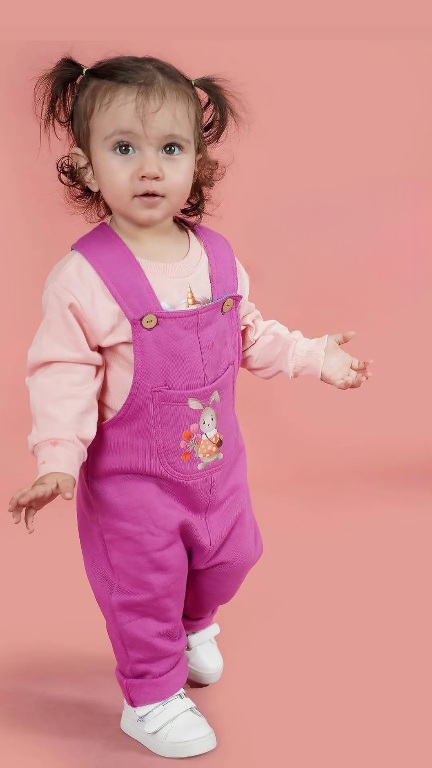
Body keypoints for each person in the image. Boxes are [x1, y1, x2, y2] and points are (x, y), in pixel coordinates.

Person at [8, 54, 373, 759]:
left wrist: (314, 356)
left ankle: (193, 623)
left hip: (217, 473)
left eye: (170, 149)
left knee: (232, 558)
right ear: (86, 168)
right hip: (133, 489)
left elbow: (249, 333)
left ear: (198, 164)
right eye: (124, 149)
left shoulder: (216, 257)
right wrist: (56, 458)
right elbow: (61, 371)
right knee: (144, 590)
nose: (150, 169)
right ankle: (149, 698)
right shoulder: (83, 278)